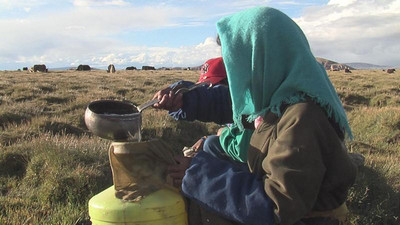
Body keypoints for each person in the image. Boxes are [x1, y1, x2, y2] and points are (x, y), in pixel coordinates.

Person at [164, 6, 358, 225]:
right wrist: (186, 100)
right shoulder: (283, 93)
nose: (233, 69)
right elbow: (233, 105)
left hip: (305, 219)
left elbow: (276, 208)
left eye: (235, 59)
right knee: (212, 147)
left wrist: (199, 173)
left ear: (260, 57)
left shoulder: (303, 118)